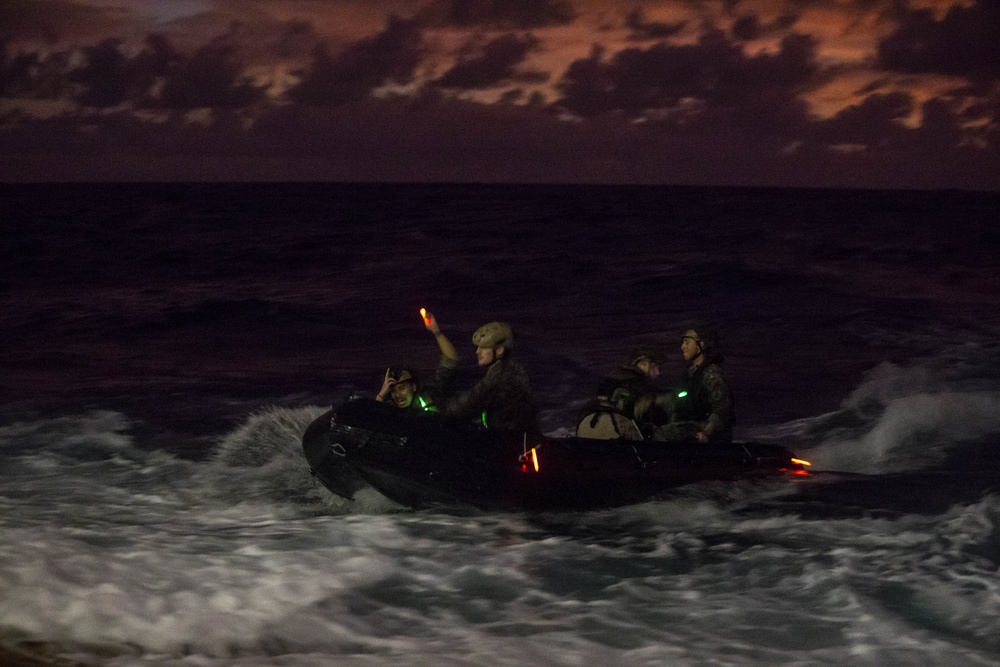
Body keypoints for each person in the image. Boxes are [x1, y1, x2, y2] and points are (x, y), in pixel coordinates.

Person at [446, 321, 539, 433]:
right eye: (478, 347)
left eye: (484, 348)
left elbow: (473, 401)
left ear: (499, 350)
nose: (477, 351)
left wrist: (442, 410)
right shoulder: (509, 368)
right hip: (517, 437)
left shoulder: (502, 375)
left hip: (509, 441)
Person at [653, 321, 734, 444]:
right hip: (695, 423)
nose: (682, 347)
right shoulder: (691, 372)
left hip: (708, 428)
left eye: (687, 342)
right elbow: (681, 397)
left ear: (701, 344)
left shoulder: (711, 373)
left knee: (663, 433)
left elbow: (723, 408)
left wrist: (707, 432)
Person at [576, 346, 668, 440]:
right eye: (656, 367)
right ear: (644, 364)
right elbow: (649, 414)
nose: (658, 373)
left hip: (585, 424)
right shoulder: (641, 384)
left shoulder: (613, 378)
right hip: (614, 427)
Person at [376, 309, 459, 411]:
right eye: (393, 390)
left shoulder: (430, 394)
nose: (398, 395)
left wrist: (437, 333)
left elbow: (451, 360)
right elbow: (369, 419)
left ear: (413, 387)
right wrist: (381, 395)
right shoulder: (389, 409)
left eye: (402, 388)